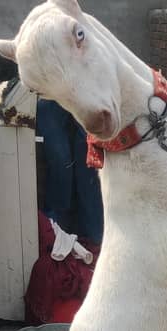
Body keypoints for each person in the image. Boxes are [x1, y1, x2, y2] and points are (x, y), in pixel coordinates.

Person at [36, 98, 104, 245]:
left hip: (85, 91)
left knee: (89, 165)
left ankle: (93, 241)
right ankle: (59, 238)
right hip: (49, 90)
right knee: (60, 161)